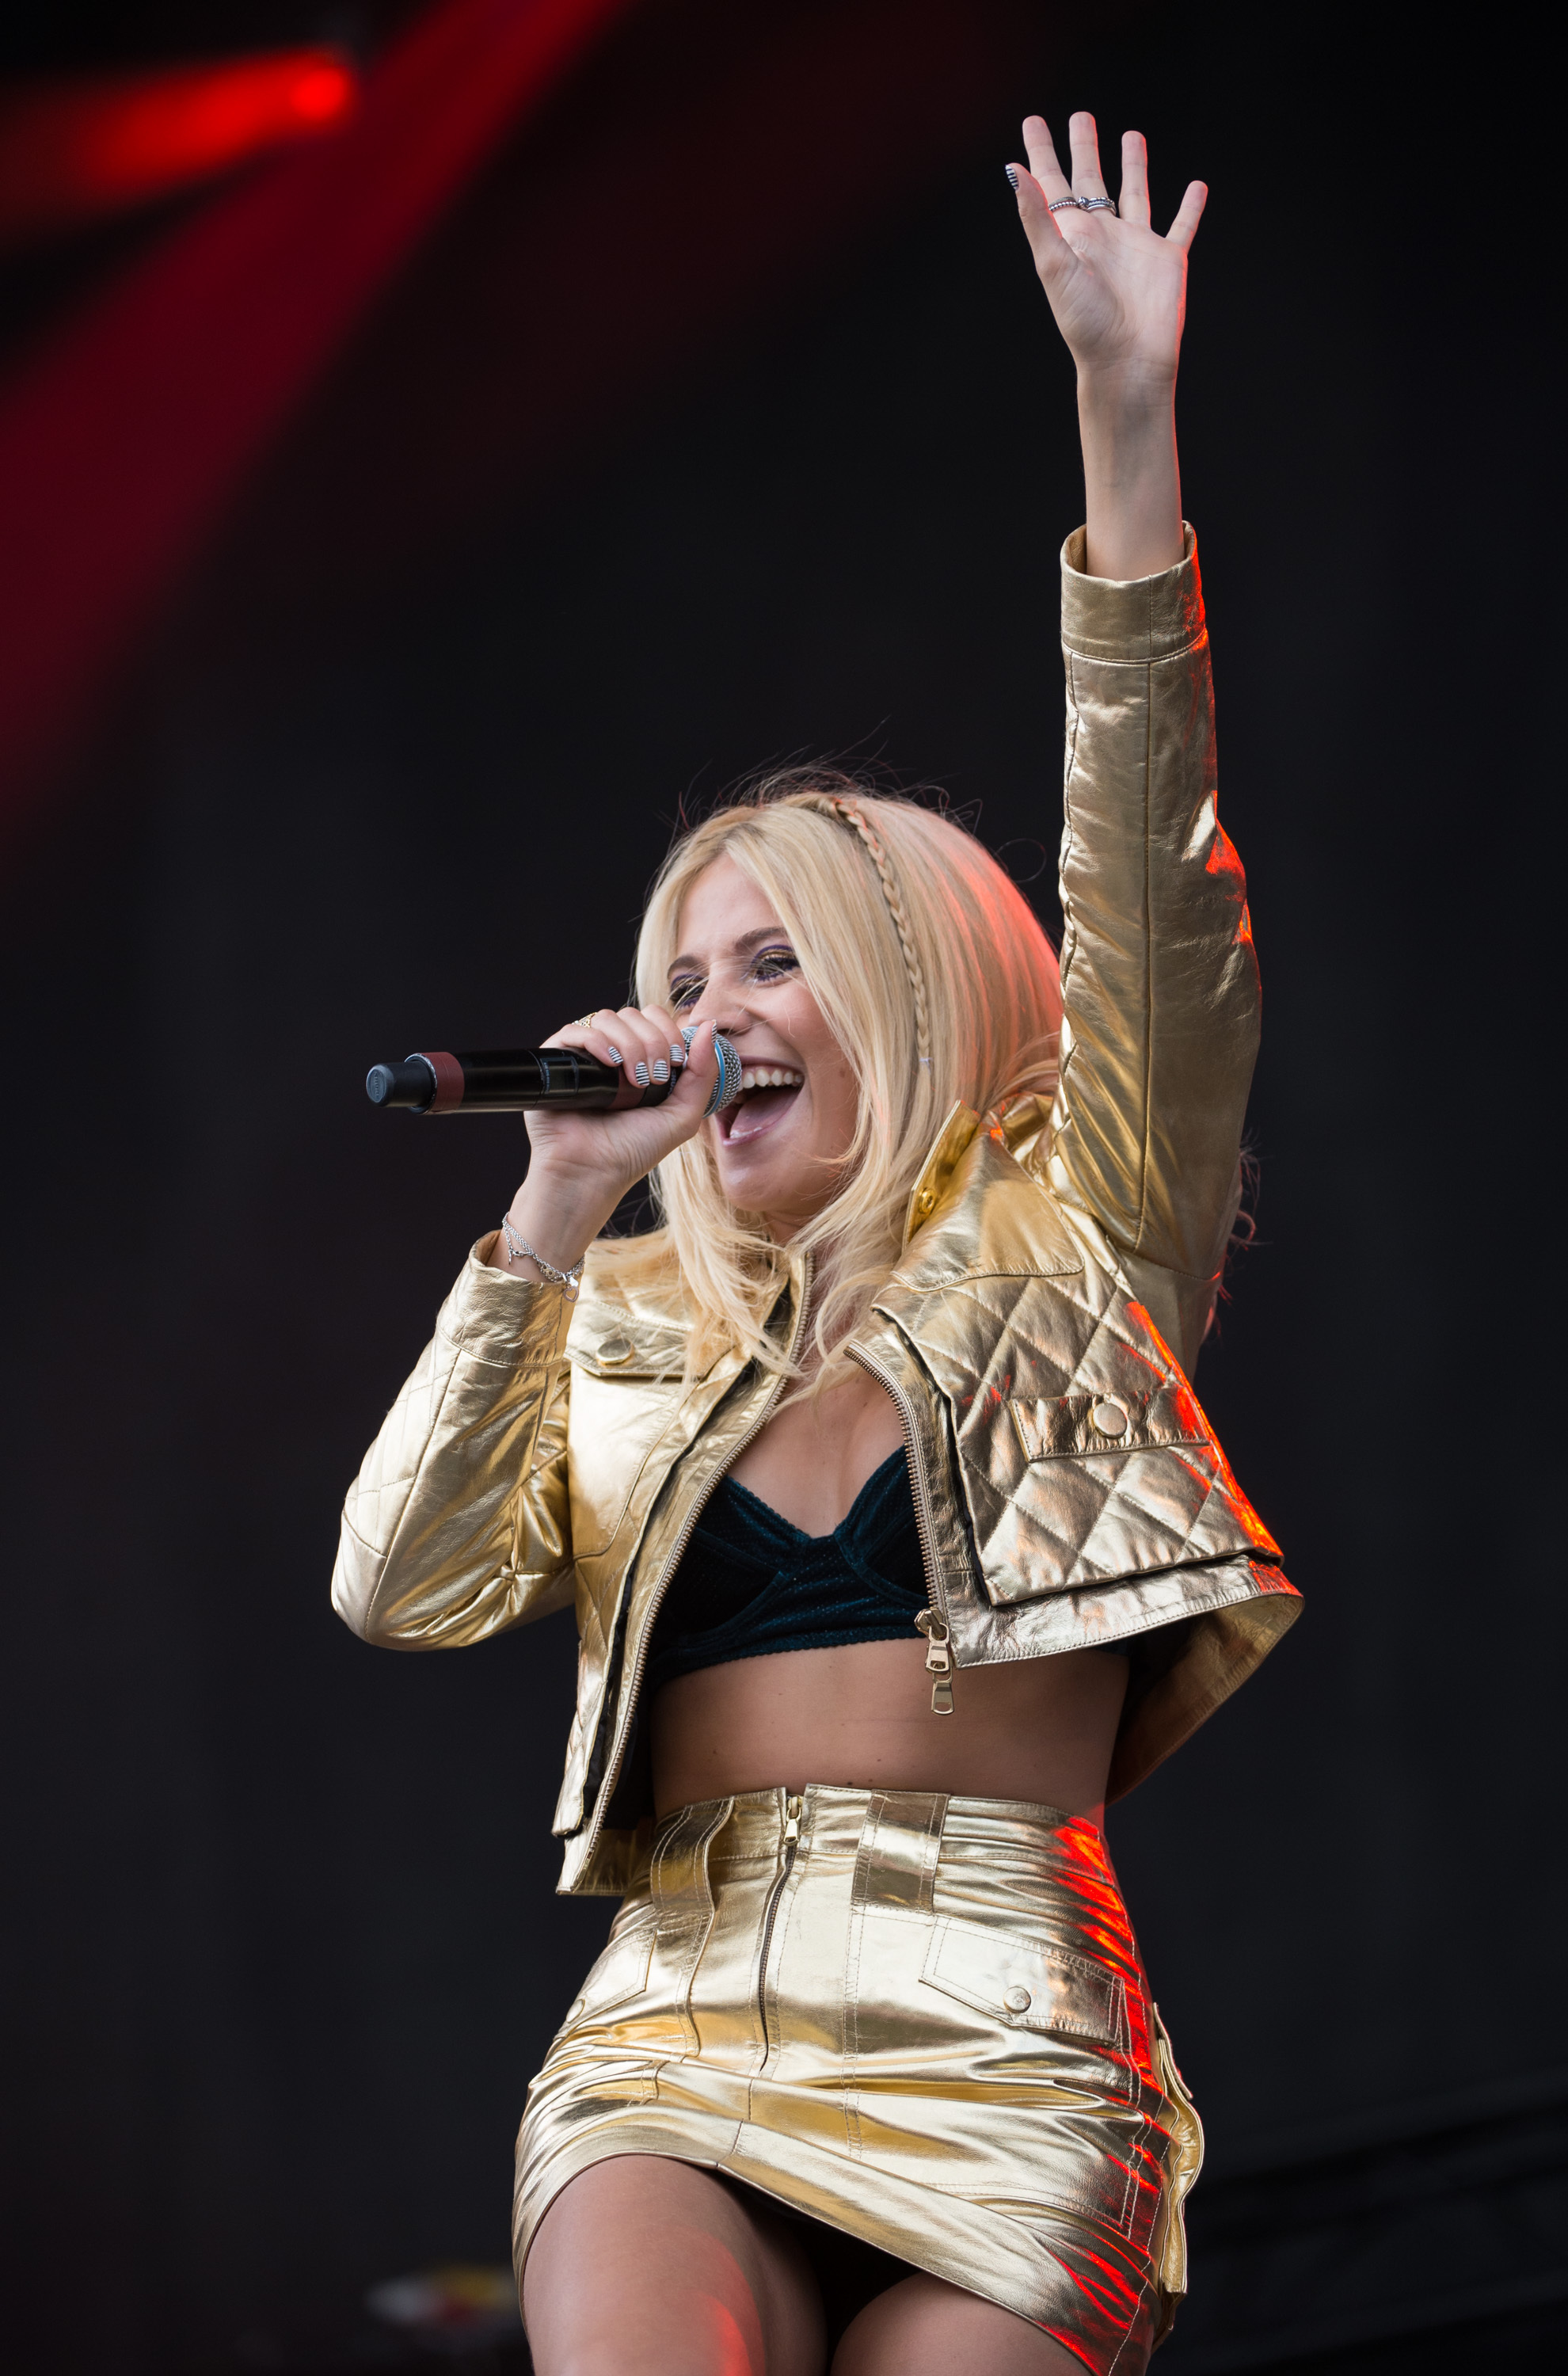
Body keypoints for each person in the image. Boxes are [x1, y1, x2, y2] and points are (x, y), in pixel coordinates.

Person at [333, 111, 1298, 2376]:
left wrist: (1125, 421)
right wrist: (552, 1209)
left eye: (771, 965)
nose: (708, 1018)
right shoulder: (628, 1314)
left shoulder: (1080, 1230)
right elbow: (400, 1587)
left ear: (913, 992)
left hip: (1008, 2040)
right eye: (682, 978)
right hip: (678, 2019)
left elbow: (1150, 857)